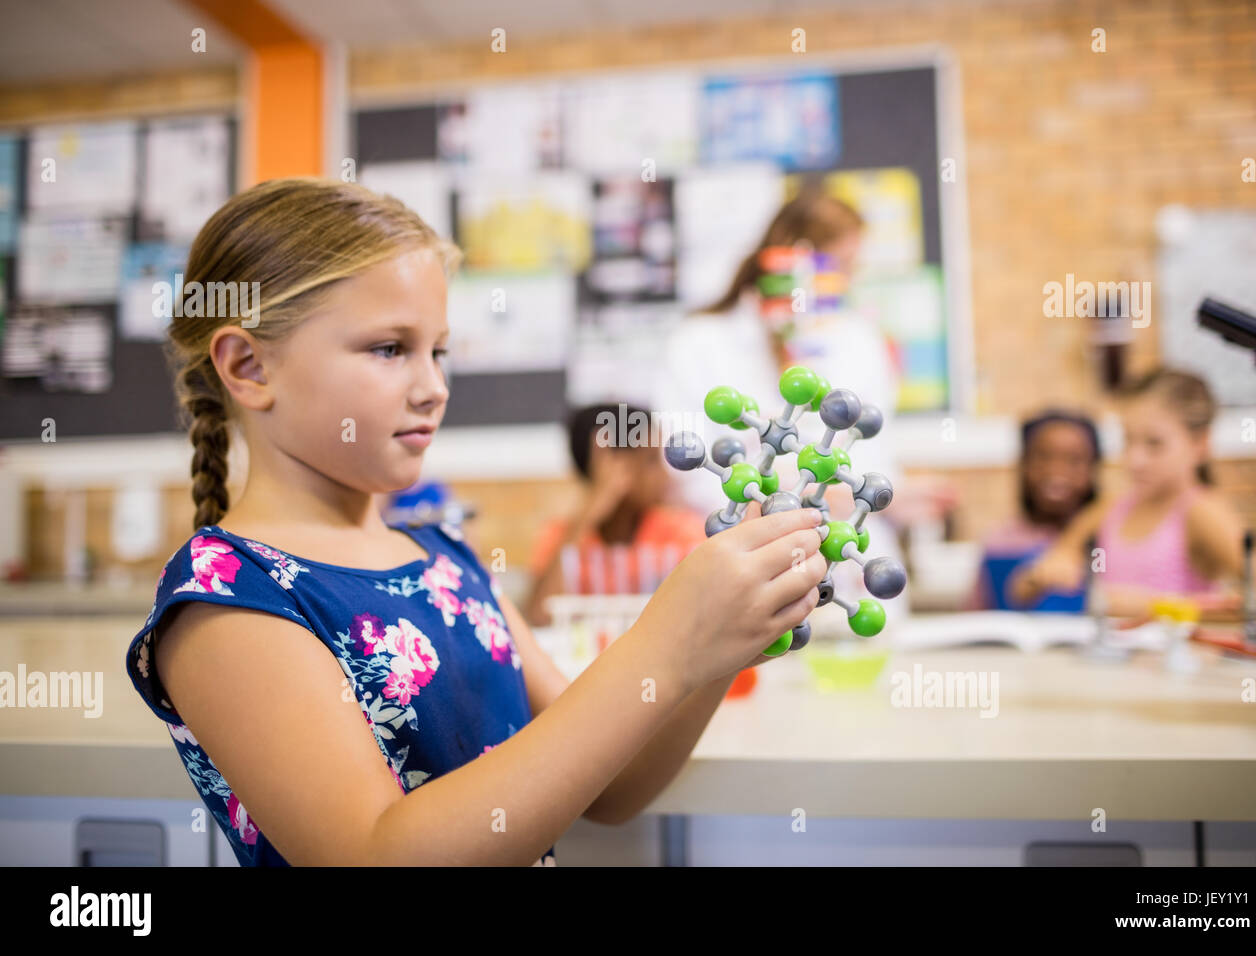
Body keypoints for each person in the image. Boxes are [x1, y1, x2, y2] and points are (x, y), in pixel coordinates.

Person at [125, 177, 831, 867]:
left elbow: (611, 787)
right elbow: (374, 855)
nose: (434, 387)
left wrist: (714, 654)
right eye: (388, 349)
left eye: (438, 350)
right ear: (248, 366)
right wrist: (667, 645)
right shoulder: (226, 598)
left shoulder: (446, 558)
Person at [653, 185, 956, 627]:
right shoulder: (699, 343)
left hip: (846, 571)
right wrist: (809, 497)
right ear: (793, 258)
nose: (847, 282)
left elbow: (871, 456)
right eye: (842, 265)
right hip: (744, 562)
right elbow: (691, 469)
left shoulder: (859, 341)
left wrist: (894, 497)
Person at [1010, 367, 1256, 634]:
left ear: (1199, 444)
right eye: (1128, 441)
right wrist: (1042, 574)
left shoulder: (1202, 512)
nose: (1134, 460)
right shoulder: (1111, 510)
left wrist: (1152, 607)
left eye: (1154, 444)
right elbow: (1019, 590)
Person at [522, 402, 706, 627]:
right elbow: (538, 616)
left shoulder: (680, 531)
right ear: (615, 466)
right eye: (652, 460)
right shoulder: (561, 536)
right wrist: (588, 514)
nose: (665, 475)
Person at [968, 410, 1101, 610]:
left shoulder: (1108, 538)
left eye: (1074, 460)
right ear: (1024, 464)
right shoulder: (999, 542)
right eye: (1043, 457)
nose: (1056, 470)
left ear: (1093, 468)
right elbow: (977, 615)